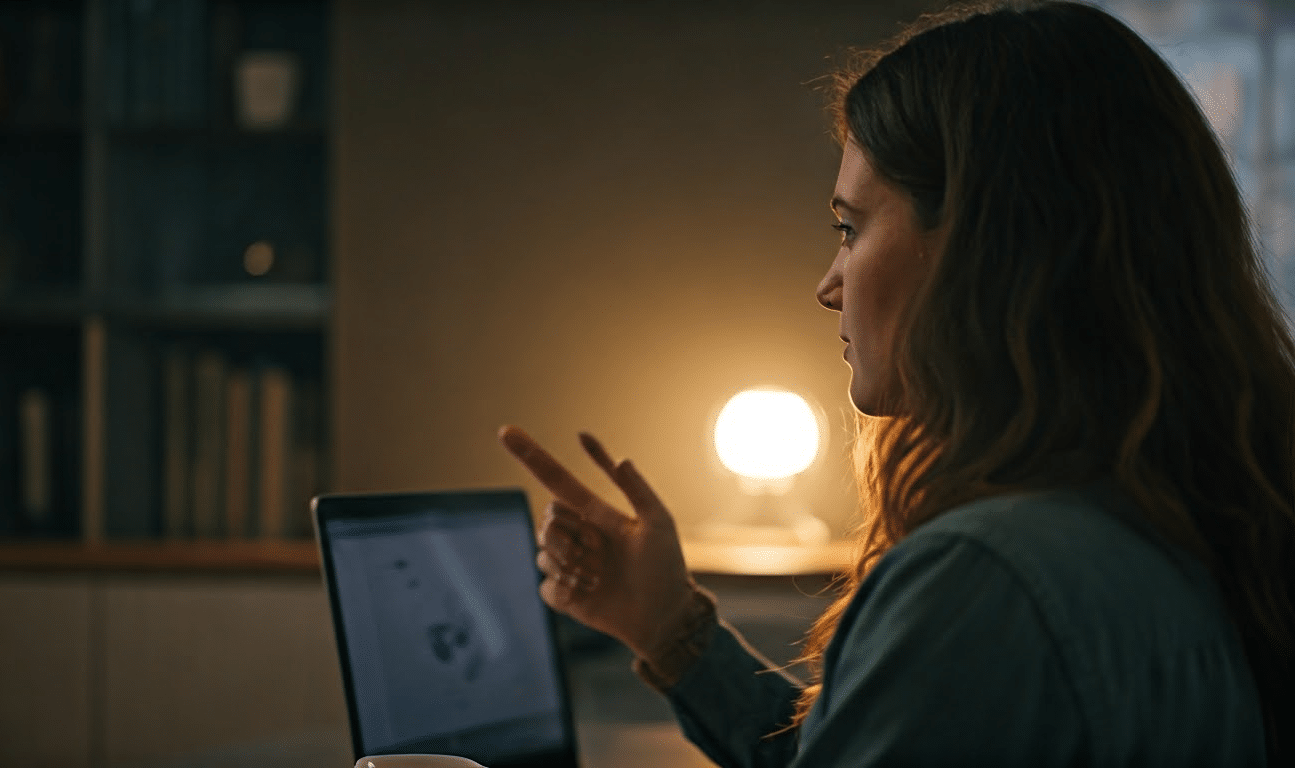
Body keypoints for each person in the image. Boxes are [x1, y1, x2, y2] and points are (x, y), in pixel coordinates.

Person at [498, 0, 1295, 765]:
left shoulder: (984, 580)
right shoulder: (1184, 521)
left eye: (851, 228)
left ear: (983, 245)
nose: (829, 283)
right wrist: (669, 627)